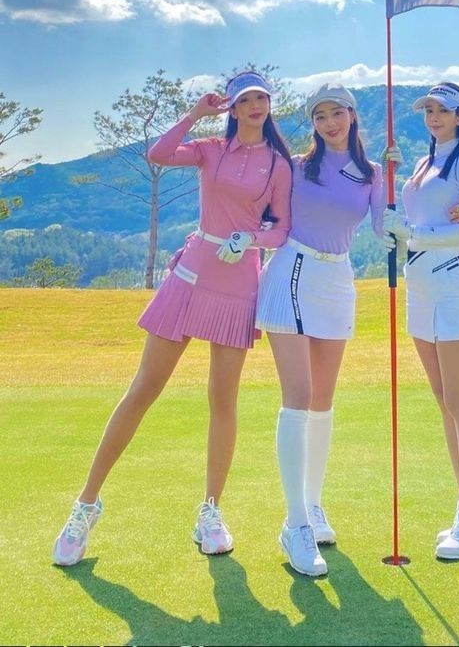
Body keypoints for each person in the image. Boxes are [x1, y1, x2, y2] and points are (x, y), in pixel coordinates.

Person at [52, 71, 292, 567]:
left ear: (269, 105)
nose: (254, 105)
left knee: (223, 399)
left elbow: (281, 228)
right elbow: (158, 154)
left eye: (261, 98)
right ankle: (86, 505)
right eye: (245, 99)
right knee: (144, 387)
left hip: (239, 282)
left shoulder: (277, 164)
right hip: (191, 275)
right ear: (232, 108)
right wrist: (195, 114)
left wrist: (251, 239)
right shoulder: (209, 149)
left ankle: (211, 512)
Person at [255, 83, 385, 577]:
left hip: (337, 279)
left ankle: (312, 504)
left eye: (336, 113)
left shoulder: (373, 173)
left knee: (323, 401)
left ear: (352, 115)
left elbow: (384, 229)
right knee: (299, 397)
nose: (329, 123)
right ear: (312, 123)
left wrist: (403, 199)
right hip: (292, 270)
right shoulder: (295, 166)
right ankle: (295, 524)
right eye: (320, 116)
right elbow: (263, 213)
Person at [382, 81, 459, 561]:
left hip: (452, 283)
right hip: (420, 286)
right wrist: (386, 180)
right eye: (428, 109)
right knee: (444, 401)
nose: (433, 116)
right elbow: (408, 221)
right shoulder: (424, 162)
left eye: (443, 110)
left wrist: (412, 231)